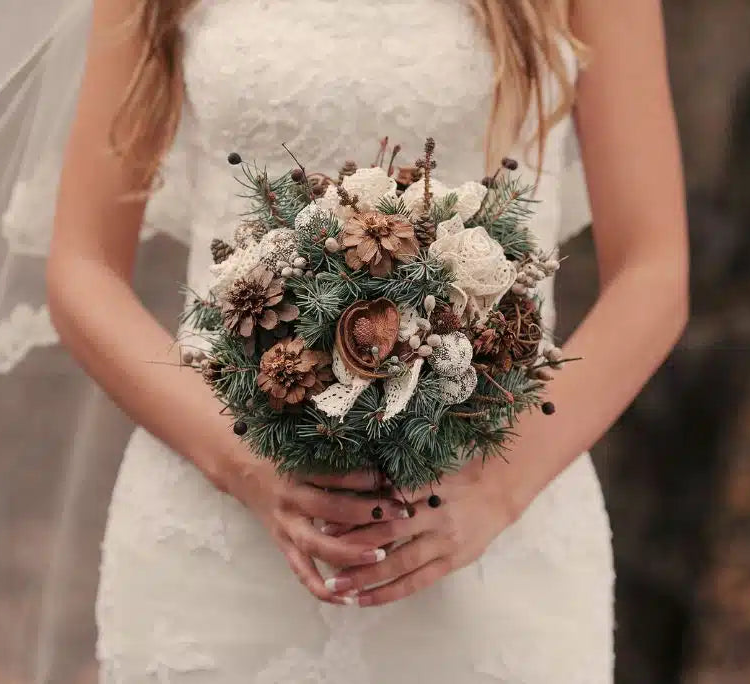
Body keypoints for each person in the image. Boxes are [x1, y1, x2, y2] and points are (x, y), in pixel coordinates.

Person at [45, 0, 688, 681]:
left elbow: (654, 271)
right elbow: (81, 268)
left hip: (490, 541)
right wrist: (242, 464)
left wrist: (497, 488)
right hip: (218, 537)